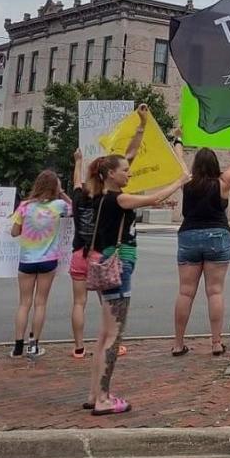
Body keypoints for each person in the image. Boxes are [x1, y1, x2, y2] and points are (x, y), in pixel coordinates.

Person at [84, 154, 189, 415]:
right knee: (113, 335)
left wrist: (141, 127)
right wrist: (179, 181)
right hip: (119, 265)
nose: (129, 174)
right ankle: (104, 399)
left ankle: (94, 393)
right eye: (125, 170)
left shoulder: (99, 197)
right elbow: (154, 199)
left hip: (109, 261)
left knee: (103, 335)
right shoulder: (117, 199)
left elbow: (125, 157)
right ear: (110, 174)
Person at [68, 104, 147, 360]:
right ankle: (111, 343)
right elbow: (130, 155)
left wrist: (78, 162)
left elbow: (76, 182)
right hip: (103, 255)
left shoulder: (80, 197)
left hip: (79, 253)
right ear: (107, 176)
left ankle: (79, 346)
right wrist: (141, 126)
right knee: (110, 304)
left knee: (79, 303)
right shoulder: (107, 197)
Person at [171, 125, 230, 356]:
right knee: (215, 292)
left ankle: (178, 344)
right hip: (217, 235)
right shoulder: (223, 182)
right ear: (215, 165)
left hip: (188, 235)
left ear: (196, 165)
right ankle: (216, 343)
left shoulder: (186, 181)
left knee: (185, 292)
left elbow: (177, 158)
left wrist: (177, 138)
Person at [9, 170, 71, 358]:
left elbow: (14, 232)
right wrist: (61, 193)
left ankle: (18, 346)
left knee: (23, 303)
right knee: (40, 303)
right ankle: (34, 344)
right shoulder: (59, 205)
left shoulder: (25, 206)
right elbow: (74, 208)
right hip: (48, 260)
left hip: (27, 259)